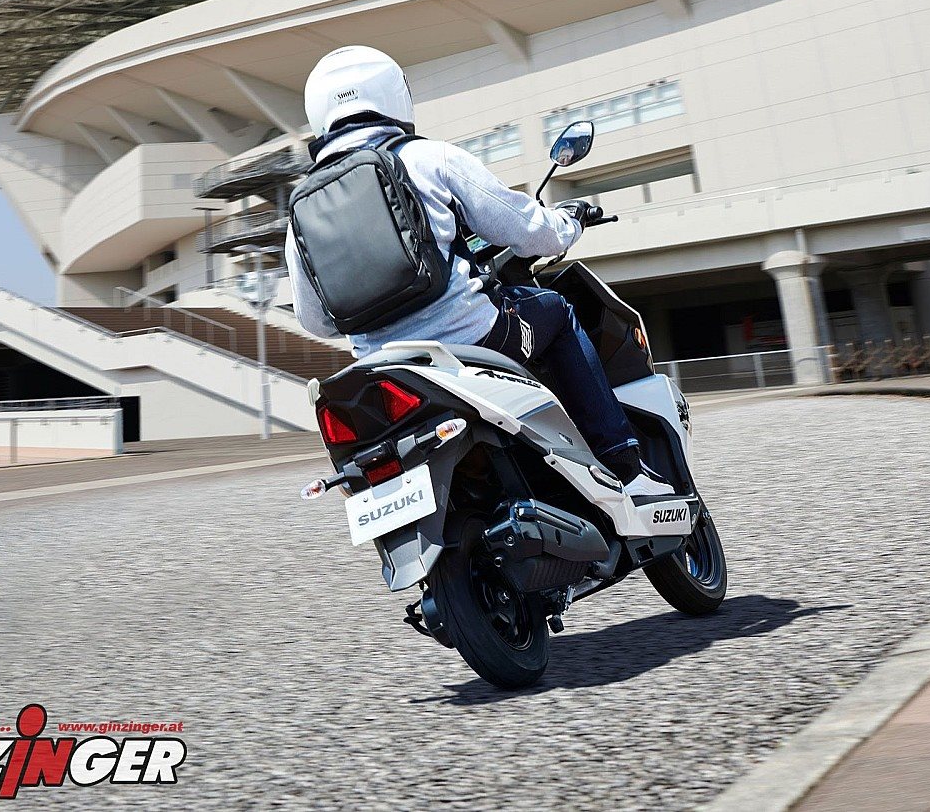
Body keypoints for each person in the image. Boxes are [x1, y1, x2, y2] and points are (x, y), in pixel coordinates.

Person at [285, 46, 672, 497]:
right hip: (471, 337)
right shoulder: (428, 158)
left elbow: (315, 320)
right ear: (393, 95)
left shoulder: (301, 212)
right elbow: (528, 230)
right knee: (557, 312)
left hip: (380, 368)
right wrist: (569, 224)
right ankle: (624, 464)